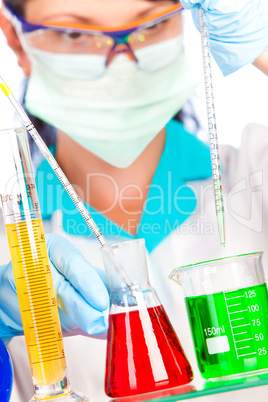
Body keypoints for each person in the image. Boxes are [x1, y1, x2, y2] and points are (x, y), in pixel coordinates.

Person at [0, 0, 268, 401]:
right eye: (75, 33)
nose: (119, 63)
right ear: (16, 41)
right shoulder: (16, 251)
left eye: (150, 23)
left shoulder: (253, 175)